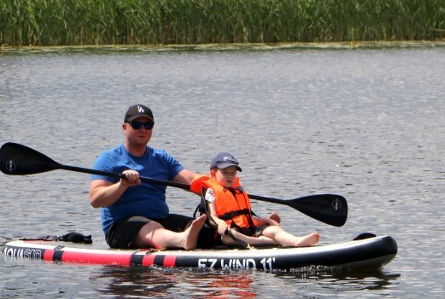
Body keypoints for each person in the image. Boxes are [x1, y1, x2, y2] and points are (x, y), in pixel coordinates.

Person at [89, 104, 207, 250]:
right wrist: (122, 185)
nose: (143, 129)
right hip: (121, 227)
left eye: (148, 124)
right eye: (137, 124)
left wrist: (222, 186)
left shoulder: (161, 158)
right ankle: (182, 240)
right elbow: (95, 199)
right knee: (152, 227)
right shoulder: (109, 159)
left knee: (206, 228)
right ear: (124, 127)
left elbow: (191, 180)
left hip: (160, 220)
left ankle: (236, 241)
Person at [190, 152, 320, 247]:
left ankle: (295, 241)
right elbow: (211, 216)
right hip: (227, 233)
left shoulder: (238, 190)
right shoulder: (210, 191)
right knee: (230, 235)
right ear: (213, 174)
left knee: (274, 230)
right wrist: (221, 223)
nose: (229, 176)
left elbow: (246, 218)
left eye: (232, 173)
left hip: (247, 230)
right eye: (225, 173)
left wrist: (267, 220)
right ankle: (268, 242)